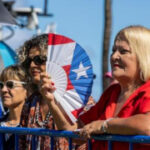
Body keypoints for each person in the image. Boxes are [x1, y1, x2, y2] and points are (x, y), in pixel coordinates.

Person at [39, 25, 150, 150]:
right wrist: (52, 102)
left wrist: (105, 125)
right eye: (113, 51)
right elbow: (75, 133)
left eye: (123, 51)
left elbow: (147, 126)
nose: (114, 57)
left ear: (143, 56)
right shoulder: (112, 92)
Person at [18, 34, 93, 150]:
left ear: (55, 62)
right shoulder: (31, 101)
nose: (32, 65)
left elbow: (86, 140)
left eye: (39, 60)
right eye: (29, 61)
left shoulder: (82, 100)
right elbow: (22, 143)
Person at [0, 65, 28, 150]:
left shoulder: (32, 126)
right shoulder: (1, 123)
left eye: (10, 84)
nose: (4, 90)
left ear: (27, 89)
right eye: (1, 85)